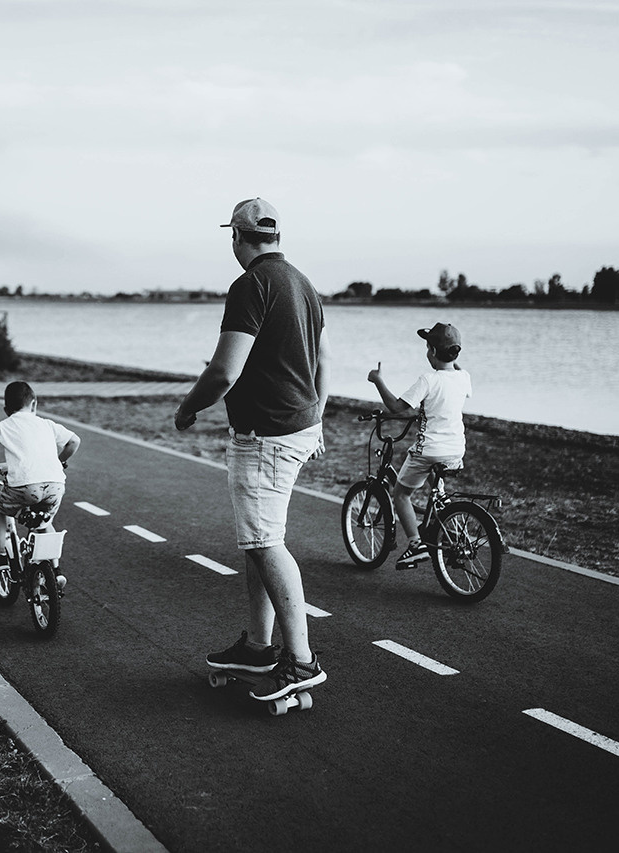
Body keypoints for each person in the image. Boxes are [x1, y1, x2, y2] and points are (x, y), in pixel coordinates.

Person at [175, 197, 330, 703]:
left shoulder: (250, 285)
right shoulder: (304, 284)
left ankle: (301, 660)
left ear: (237, 237)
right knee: (260, 539)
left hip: (266, 436)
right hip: (298, 427)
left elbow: (224, 370)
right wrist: (318, 414)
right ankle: (260, 646)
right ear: (277, 236)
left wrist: (189, 407)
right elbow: (323, 361)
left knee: (264, 542)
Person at [366, 322, 472, 567]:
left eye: (428, 348)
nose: (426, 353)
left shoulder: (428, 380)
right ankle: (450, 532)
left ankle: (415, 544)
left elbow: (396, 407)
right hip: (456, 449)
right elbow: (454, 375)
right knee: (438, 495)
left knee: (401, 494)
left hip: (430, 450)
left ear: (433, 352)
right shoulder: (464, 378)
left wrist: (377, 380)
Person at [0, 381, 81, 588]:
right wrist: (59, 461)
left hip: (25, 487)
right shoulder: (47, 424)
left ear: (6, 409)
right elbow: (74, 441)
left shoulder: (3, 425)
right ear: (34, 404)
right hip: (55, 485)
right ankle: (56, 570)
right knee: (43, 521)